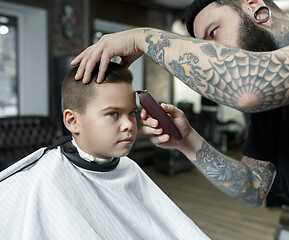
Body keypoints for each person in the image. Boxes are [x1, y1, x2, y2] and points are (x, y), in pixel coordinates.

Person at [71, 0, 289, 239]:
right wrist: (187, 141)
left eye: (213, 33)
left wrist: (142, 37)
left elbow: (248, 89)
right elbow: (252, 188)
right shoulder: (271, 104)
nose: (215, 51)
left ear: (254, 6)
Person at [0, 62, 210, 240]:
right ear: (72, 121)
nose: (128, 124)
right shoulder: (45, 179)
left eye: (131, 113)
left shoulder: (128, 168)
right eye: (112, 114)